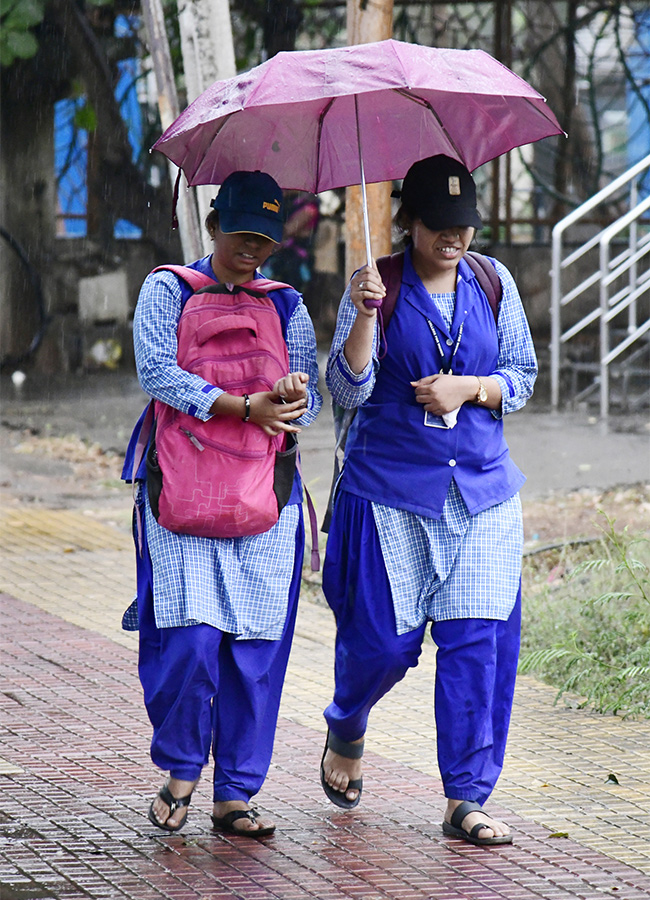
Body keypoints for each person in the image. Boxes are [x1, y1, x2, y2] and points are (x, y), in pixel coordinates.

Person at [319, 155, 537, 846]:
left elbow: (522, 378)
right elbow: (346, 391)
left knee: (478, 643)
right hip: (390, 493)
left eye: (464, 226)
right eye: (439, 225)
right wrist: (360, 318)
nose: (453, 238)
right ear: (409, 220)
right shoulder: (376, 285)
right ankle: (346, 724)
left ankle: (465, 798)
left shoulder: (491, 281)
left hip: (480, 492)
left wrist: (469, 388)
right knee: (382, 643)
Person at [122, 170, 322, 837]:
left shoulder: (287, 303)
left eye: (264, 242)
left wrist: (291, 394)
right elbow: (155, 370)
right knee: (191, 643)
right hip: (179, 493)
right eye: (241, 238)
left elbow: (310, 403)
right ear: (212, 226)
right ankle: (181, 770)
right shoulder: (168, 288)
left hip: (265, 499)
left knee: (255, 653)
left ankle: (234, 793)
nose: (252, 253)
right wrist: (240, 406)